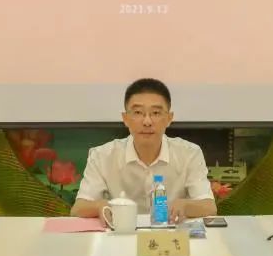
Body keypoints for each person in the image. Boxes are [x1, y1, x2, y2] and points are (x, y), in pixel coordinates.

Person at [71, 78, 216, 223]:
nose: (147, 122)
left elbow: (209, 207)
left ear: (169, 118)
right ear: (125, 118)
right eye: (138, 112)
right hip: (121, 233)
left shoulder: (189, 153)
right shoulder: (102, 156)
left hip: (171, 234)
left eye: (156, 113)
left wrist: (185, 205)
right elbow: (78, 208)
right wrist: (99, 206)